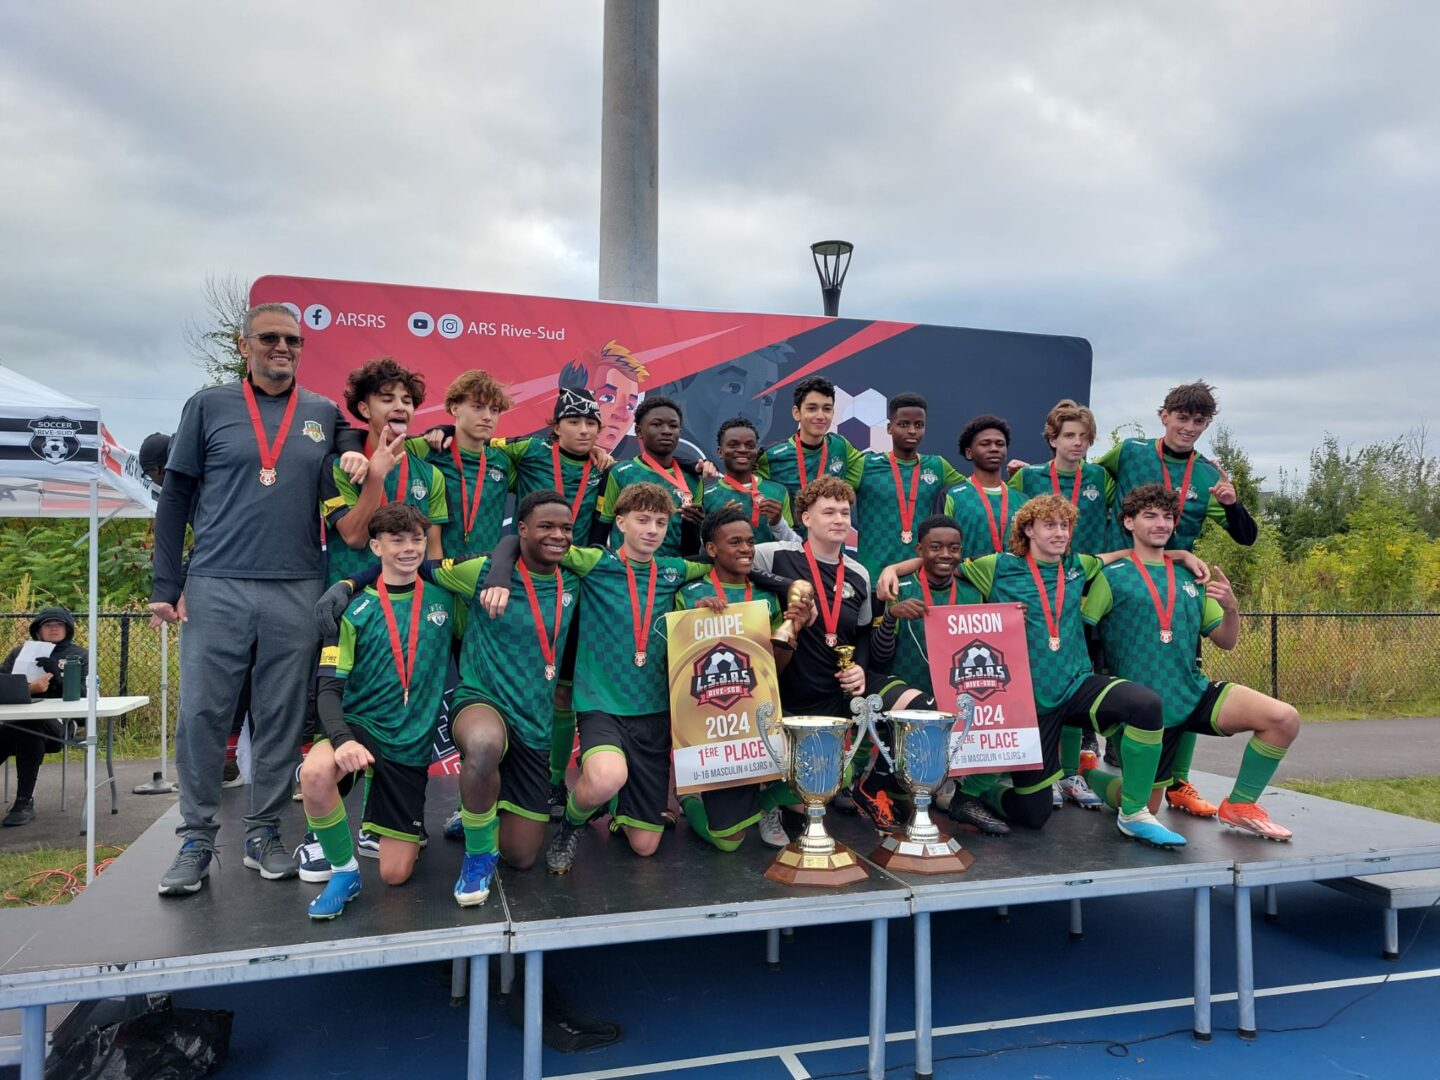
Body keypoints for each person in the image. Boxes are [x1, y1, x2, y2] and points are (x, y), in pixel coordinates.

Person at [150, 302, 361, 896]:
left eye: (293, 340)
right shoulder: (208, 405)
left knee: (280, 715)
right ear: (245, 346)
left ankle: (263, 830)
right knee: (202, 713)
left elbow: (358, 444)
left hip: (296, 584)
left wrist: (361, 446)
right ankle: (195, 839)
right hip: (217, 580)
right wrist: (167, 583)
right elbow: (175, 497)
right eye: (269, 338)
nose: (283, 348)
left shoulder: (320, 412)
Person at [880, 494, 1210, 847]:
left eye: (1065, 525)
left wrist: (1181, 555)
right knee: (1035, 815)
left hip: (1075, 683)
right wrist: (893, 569)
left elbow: (1135, 553)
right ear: (1028, 529)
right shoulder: (997, 566)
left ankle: (1134, 814)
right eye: (1049, 525)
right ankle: (975, 796)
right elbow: (940, 561)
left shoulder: (1079, 565)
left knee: (1145, 704)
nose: (1060, 533)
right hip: (1028, 702)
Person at [482, 483, 715, 872]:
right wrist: (500, 574)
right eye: (642, 520)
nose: (652, 530)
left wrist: (704, 594)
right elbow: (517, 542)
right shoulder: (594, 562)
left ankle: (619, 808)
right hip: (601, 703)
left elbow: (722, 560)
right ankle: (572, 824)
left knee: (645, 846)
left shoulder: (675, 569)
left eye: (660, 522)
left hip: (654, 710)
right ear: (620, 522)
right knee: (607, 777)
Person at [1080, 485, 1299, 839]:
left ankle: (1240, 805)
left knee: (1283, 718)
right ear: (1129, 522)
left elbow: (1227, 641)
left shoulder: (1190, 577)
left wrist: (1230, 608)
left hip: (1191, 692)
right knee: (1145, 808)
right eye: (1150, 515)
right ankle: (1087, 773)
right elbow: (1083, 637)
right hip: (1142, 712)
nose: (1161, 523)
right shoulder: (1110, 577)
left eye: (1167, 516)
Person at [1096, 380, 1259, 814]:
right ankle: (1086, 765)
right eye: (1182, 417)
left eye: (1198, 421)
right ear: (1163, 415)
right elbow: (1090, 480)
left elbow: (1246, 537)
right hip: (1122, 579)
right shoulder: (1129, 452)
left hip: (1176, 584)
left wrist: (1234, 503)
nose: (1189, 427)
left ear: (1207, 424)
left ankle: (1178, 783)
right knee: (1099, 671)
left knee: (1184, 678)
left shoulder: (1209, 474)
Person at [300, 504, 458, 918]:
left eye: (416, 539)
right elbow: (328, 690)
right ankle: (343, 871)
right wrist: (342, 739)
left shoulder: (447, 597)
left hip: (409, 739)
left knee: (395, 874)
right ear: (376, 546)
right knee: (315, 773)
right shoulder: (350, 611)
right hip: (360, 723)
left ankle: (398, 827)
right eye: (397, 540)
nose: (409, 548)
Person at [751, 476, 930, 834]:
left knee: (921, 711)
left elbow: (862, 632)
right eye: (828, 511)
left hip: (838, 688)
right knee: (808, 788)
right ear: (805, 518)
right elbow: (735, 565)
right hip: (788, 690)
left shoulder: (859, 573)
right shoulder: (773, 555)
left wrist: (861, 668)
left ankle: (875, 785)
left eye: (845, 513)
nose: (839, 520)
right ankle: (765, 800)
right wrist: (790, 586)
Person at [674, 505, 812, 852]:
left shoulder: (766, 597)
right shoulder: (691, 595)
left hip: (759, 719)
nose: (746, 549)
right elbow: (681, 674)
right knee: (729, 843)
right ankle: (690, 797)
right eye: (734, 542)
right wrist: (697, 619)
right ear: (711, 549)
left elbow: (773, 670)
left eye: (750, 542)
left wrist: (791, 630)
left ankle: (764, 804)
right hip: (713, 730)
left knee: (830, 767)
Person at [865, 516, 1011, 836]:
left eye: (953, 548)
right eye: (935, 547)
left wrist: (1008, 620)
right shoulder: (897, 587)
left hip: (947, 690)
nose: (945, 554)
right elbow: (877, 657)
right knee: (927, 713)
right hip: (896, 685)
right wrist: (891, 616)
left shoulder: (973, 591)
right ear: (920, 550)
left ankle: (958, 794)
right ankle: (872, 787)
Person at [1008, 399, 1113, 809]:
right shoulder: (1028, 477)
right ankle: (1044, 771)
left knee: (1077, 675)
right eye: (1069, 435)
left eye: (1084, 438)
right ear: (1052, 438)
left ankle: (1072, 771)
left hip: (1083, 582)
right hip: (1040, 585)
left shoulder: (1101, 477)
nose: (1077, 444)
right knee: (1042, 679)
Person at [322, 357, 448, 587]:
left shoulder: (431, 475)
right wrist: (375, 477)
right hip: (354, 601)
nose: (400, 407)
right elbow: (355, 537)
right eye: (387, 399)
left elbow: (432, 548)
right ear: (364, 408)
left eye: (407, 401)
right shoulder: (338, 466)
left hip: (411, 601)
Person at [849, 393, 965, 585]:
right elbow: (831, 493)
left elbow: (975, 491)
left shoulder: (937, 466)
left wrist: (1016, 477)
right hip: (874, 577)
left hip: (920, 579)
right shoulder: (865, 465)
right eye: (904, 424)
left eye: (918, 425)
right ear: (889, 428)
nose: (912, 431)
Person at [0, 607, 86, 827]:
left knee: (31, 724)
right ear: (38, 630)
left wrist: (58, 678)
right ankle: (23, 802)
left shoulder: (79, 655)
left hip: (60, 724)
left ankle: (23, 802)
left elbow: (85, 697)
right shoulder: (20, 653)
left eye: (59, 624)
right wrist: (29, 688)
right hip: (16, 722)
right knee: (19, 728)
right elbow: (2, 684)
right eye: (48, 625)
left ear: (68, 629)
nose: (53, 628)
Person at [595, 396, 704, 557]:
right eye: (657, 424)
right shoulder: (619, 472)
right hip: (625, 573)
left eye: (673, 426)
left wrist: (693, 525)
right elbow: (600, 531)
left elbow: (691, 550)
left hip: (671, 576)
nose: (667, 431)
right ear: (639, 431)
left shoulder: (693, 479)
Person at [755, 377, 864, 527]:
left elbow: (876, 470)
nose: (820, 416)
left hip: (831, 546)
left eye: (827, 409)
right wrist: (710, 465)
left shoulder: (840, 447)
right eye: (812, 408)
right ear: (796, 413)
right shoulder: (771, 456)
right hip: (791, 545)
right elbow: (741, 482)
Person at [943, 414, 1032, 562]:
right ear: (969, 452)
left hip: (1012, 581)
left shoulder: (1022, 499)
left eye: (1000, 444)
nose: (994, 449)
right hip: (967, 581)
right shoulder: (954, 496)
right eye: (985, 444)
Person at [700, 417, 798, 546]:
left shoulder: (778, 491)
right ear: (720, 452)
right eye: (733, 445)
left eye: (750, 445)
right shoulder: (706, 495)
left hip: (770, 566)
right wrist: (719, 526)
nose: (742, 449)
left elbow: (794, 546)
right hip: (726, 566)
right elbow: (701, 548)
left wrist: (778, 523)